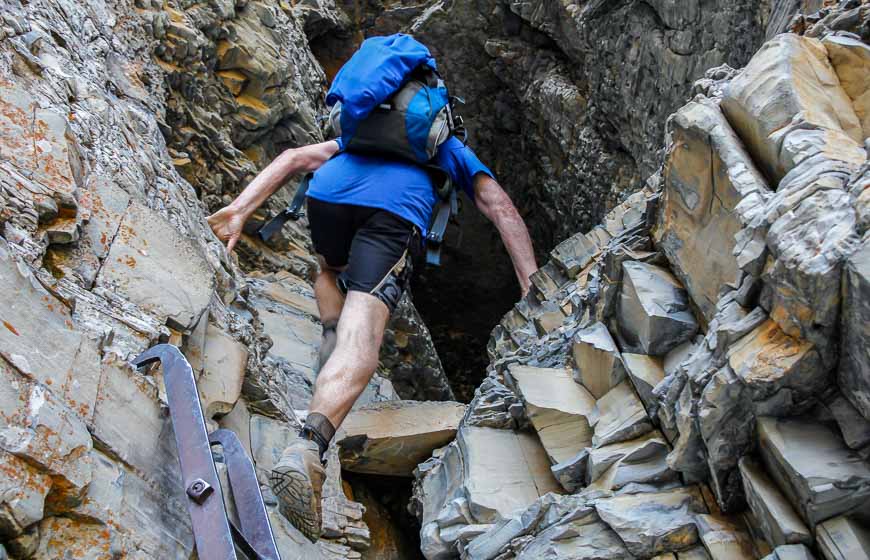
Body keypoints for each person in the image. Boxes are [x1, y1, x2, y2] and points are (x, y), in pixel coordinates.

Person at [207, 77, 537, 545]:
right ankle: (307, 448)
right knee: (363, 334)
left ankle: (329, 334)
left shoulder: (359, 132)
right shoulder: (446, 148)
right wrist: (530, 284)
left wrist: (240, 209)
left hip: (329, 197)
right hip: (394, 212)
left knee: (330, 266)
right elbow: (498, 206)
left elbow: (295, 159)